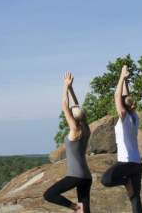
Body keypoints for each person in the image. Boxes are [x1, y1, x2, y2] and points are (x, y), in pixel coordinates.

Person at [43, 72, 92, 213]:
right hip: (86, 177)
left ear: (73, 118)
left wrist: (65, 86)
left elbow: (65, 105)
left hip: (75, 176)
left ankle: (75, 207)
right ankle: (80, 208)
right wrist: (71, 88)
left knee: (49, 194)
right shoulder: (86, 128)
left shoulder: (75, 129)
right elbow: (76, 105)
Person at [100, 64, 142, 213]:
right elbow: (125, 97)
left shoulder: (124, 117)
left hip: (126, 162)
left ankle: (125, 181)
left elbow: (117, 96)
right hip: (137, 163)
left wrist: (120, 77)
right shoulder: (134, 116)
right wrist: (126, 79)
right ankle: (127, 182)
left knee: (105, 179)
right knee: (135, 199)